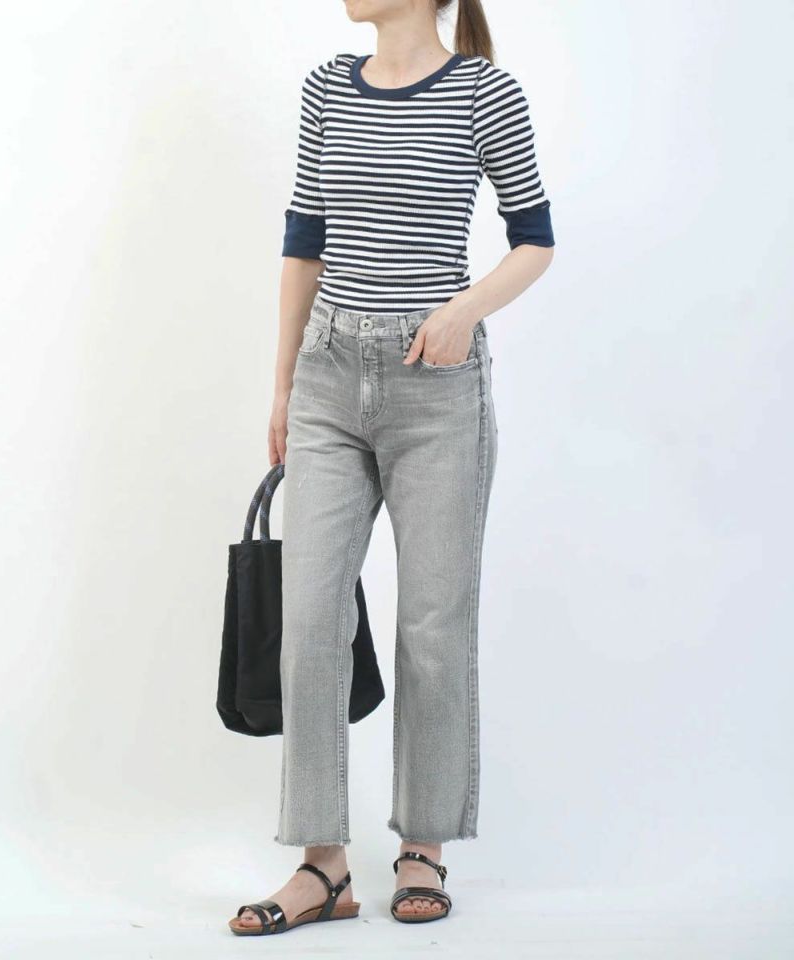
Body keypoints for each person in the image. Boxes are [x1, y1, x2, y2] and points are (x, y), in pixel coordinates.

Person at [228, 0, 555, 936]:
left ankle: (424, 848)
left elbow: (535, 238)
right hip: (328, 378)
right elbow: (304, 241)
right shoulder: (328, 87)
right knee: (309, 619)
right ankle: (321, 866)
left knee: (432, 625)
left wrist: (463, 311)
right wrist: (283, 385)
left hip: (436, 388)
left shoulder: (484, 91)